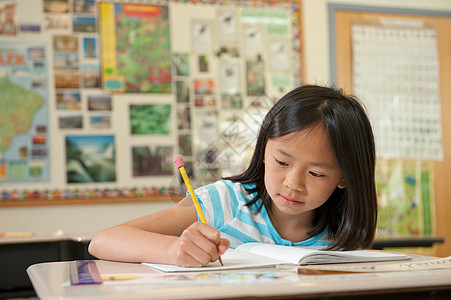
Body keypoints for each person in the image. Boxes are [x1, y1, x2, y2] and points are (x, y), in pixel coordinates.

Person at [88, 84, 377, 267]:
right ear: (263, 152)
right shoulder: (223, 201)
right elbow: (104, 240)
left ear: (344, 178)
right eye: (281, 162)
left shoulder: (343, 234)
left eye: (315, 173)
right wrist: (174, 249)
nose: (293, 184)